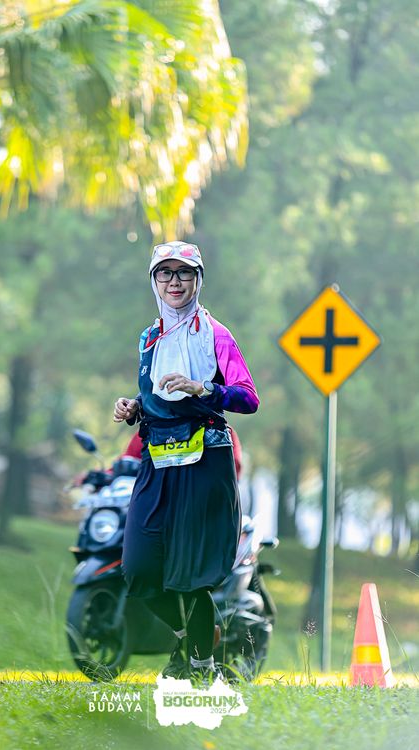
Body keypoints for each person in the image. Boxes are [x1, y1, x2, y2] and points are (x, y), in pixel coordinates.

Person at [113, 240, 259, 683]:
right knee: (138, 569)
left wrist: (204, 388)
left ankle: (200, 668)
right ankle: (188, 639)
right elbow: (157, 392)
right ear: (153, 280)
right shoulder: (149, 336)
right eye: (165, 273)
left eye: (184, 273)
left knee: (191, 576)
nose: (174, 282)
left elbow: (248, 398)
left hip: (205, 461)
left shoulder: (216, 334)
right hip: (157, 460)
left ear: (198, 279)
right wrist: (134, 406)